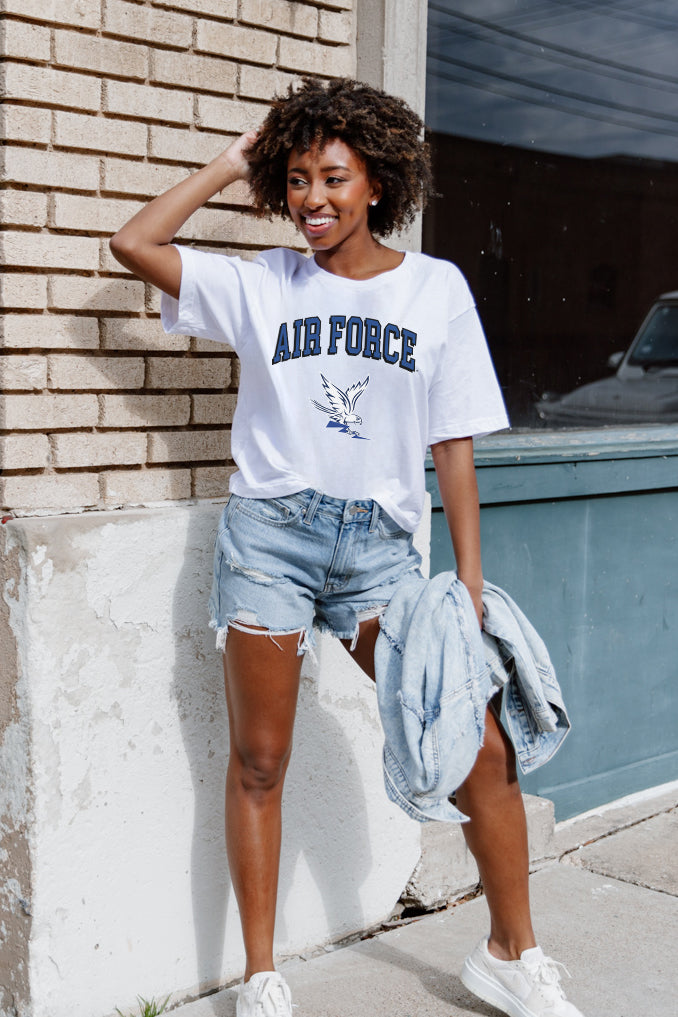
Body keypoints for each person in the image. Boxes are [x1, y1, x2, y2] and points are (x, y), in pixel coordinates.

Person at [110, 77, 585, 1017]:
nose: (313, 199)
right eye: (295, 179)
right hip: (271, 540)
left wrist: (468, 584)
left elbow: (452, 445)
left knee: (478, 745)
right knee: (260, 758)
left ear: (379, 182)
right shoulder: (263, 284)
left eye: (333, 177)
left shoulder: (435, 288)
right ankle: (261, 977)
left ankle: (511, 952)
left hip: (380, 552)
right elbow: (135, 243)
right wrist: (231, 163)